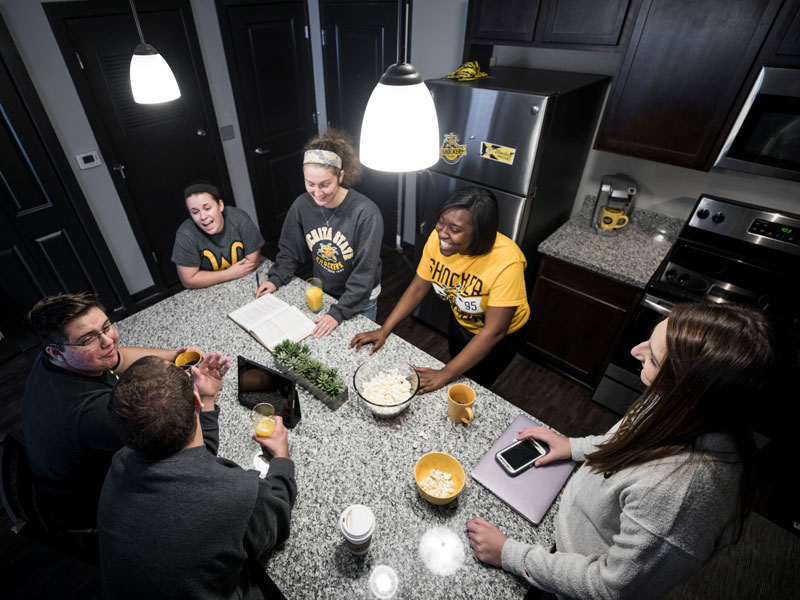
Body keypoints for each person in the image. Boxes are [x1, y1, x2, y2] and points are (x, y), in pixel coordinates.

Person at [466, 303, 794, 599]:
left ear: (689, 389)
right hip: (566, 542)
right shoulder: (678, 406)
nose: (636, 351)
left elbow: (610, 587)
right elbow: (626, 438)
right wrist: (574, 447)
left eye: (652, 357)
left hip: (571, 581)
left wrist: (508, 554)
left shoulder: (681, 497)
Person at [98, 354, 296, 599]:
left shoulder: (120, 461)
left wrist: (208, 399)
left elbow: (191, 452)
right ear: (195, 400)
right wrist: (282, 458)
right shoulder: (239, 494)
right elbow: (278, 517)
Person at [22, 291, 205, 532]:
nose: (108, 341)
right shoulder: (92, 413)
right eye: (88, 339)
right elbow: (183, 446)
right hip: (95, 511)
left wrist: (176, 357)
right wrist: (204, 398)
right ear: (56, 351)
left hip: (59, 481)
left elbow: (118, 358)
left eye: (107, 326)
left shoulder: (58, 359)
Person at [350, 187, 529, 393]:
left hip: (499, 339)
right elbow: (418, 288)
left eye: (455, 229)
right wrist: (384, 329)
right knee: (459, 370)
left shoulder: (507, 262)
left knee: (475, 386)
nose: (442, 232)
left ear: (480, 232)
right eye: (441, 222)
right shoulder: (438, 241)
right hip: (461, 322)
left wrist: (445, 373)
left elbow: (494, 331)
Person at [254, 129, 383, 338]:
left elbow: (364, 272)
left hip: (360, 300)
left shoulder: (366, 213)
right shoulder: (302, 205)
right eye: (310, 184)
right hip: (325, 291)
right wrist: (275, 278)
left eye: (325, 184)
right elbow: (290, 250)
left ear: (341, 176)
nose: (317, 192)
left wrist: (339, 312)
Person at [172, 181, 264, 288]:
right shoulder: (185, 235)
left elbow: (252, 263)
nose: (203, 217)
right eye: (195, 212)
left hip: (246, 282)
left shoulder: (239, 219)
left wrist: (205, 277)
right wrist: (229, 274)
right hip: (209, 290)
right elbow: (189, 280)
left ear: (220, 205)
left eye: (207, 208)